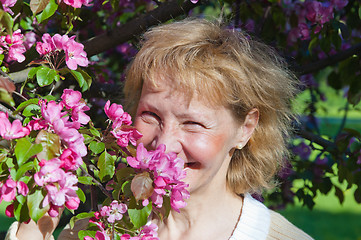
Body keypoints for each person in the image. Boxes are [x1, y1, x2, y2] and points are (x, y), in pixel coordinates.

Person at [6, 18, 313, 240]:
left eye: (193, 123)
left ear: (245, 128)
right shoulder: (97, 232)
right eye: (151, 115)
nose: (164, 145)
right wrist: (34, 229)